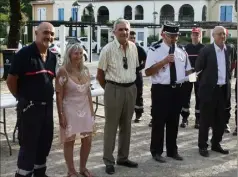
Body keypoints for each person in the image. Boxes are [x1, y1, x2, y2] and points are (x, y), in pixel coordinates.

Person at [6, 22, 57, 177]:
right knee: (28, 146)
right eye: (45, 32)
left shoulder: (52, 57)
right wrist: (21, 98)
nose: (49, 36)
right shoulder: (24, 54)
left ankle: (40, 173)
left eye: (52, 34)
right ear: (36, 33)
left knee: (44, 143)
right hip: (30, 109)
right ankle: (23, 174)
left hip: (47, 109)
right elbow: (11, 80)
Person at [145, 22, 192, 163]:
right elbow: (147, 72)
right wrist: (164, 61)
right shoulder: (155, 49)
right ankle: (156, 151)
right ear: (163, 34)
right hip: (161, 90)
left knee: (174, 121)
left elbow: (188, 70)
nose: (174, 39)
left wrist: (196, 76)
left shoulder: (182, 51)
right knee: (159, 121)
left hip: (177, 90)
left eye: (176, 36)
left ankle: (172, 151)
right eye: (171, 36)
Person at [96, 18, 139, 175]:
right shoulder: (107, 49)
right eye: (120, 29)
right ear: (114, 32)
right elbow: (100, 74)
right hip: (113, 89)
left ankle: (123, 157)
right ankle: (108, 160)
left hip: (130, 89)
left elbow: (134, 69)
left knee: (126, 125)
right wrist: (109, 89)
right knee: (111, 127)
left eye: (126, 29)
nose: (124, 32)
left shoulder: (133, 47)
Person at [55, 43, 94, 177]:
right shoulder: (63, 71)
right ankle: (71, 171)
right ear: (69, 55)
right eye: (75, 53)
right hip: (69, 110)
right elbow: (59, 94)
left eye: (81, 53)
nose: (79, 56)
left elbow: (88, 92)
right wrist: (61, 115)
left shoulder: (86, 70)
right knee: (69, 140)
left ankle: (83, 168)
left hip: (85, 109)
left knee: (88, 139)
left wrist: (92, 110)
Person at [196, 26, 230, 157]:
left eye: (224, 34)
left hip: (222, 90)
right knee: (205, 120)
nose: (222, 36)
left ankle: (216, 143)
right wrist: (204, 87)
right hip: (209, 91)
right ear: (213, 36)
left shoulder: (227, 50)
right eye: (219, 34)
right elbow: (198, 69)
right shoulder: (206, 51)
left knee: (221, 120)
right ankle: (202, 145)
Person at [180, 28, 205, 129]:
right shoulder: (186, 48)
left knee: (199, 97)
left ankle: (198, 119)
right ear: (191, 36)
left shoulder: (204, 48)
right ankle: (185, 118)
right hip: (189, 74)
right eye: (193, 34)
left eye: (197, 35)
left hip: (200, 75)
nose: (195, 36)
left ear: (200, 36)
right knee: (185, 96)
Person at [129, 30, 147, 123]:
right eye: (131, 37)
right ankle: (128, 115)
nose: (132, 39)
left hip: (137, 75)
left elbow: (146, 59)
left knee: (138, 94)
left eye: (134, 38)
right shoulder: (124, 48)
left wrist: (140, 67)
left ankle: (138, 114)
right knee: (128, 95)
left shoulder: (139, 49)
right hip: (127, 76)